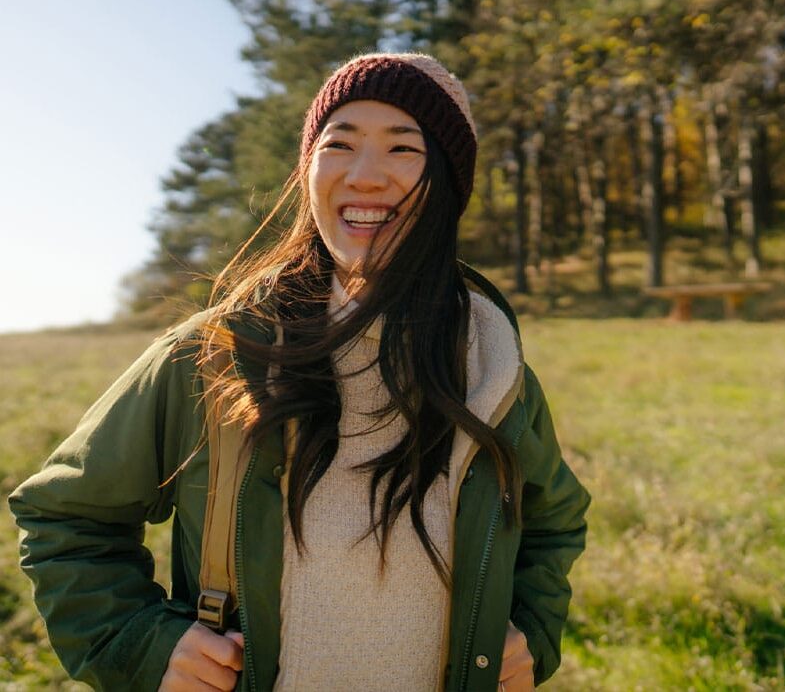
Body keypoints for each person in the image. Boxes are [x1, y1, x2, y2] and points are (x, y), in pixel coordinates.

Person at [10, 53, 590, 691]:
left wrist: (530, 633)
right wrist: (140, 646)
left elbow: (553, 520)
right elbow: (65, 516)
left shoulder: (495, 370)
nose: (365, 176)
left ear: (448, 182)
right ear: (309, 172)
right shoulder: (214, 357)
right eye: (338, 144)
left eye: (403, 148)